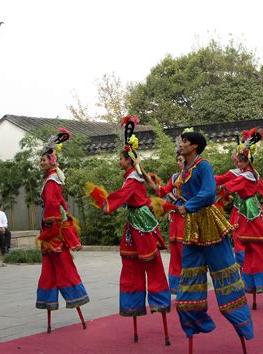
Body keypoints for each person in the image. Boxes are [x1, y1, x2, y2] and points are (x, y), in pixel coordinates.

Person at [89, 116, 171, 345]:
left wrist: (101, 201)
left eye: (120, 158)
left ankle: (159, 304)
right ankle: (138, 305)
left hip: (141, 226)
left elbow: (119, 198)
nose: (118, 161)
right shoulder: (132, 178)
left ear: (128, 160)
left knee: (149, 268)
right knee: (133, 268)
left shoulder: (132, 181)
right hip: (135, 224)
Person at [175, 129, 253, 354]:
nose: (182, 144)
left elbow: (209, 194)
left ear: (195, 147)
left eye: (186, 141)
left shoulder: (203, 166)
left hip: (210, 225)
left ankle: (242, 326)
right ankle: (196, 323)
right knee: (188, 280)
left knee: (226, 276)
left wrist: (187, 206)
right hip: (192, 227)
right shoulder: (186, 169)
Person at [36, 128, 89, 333]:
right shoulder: (52, 179)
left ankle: (71, 298)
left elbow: (52, 204)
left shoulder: (51, 181)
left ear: (52, 161)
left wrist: (50, 229)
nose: (42, 163)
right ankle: (54, 300)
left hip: (53, 229)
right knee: (53, 268)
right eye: (41, 160)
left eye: (44, 160)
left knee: (60, 266)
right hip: (53, 227)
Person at [222, 132, 263, 312]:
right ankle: (252, 283)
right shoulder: (245, 174)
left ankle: (261, 282)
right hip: (243, 212)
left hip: (249, 214)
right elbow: (225, 180)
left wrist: (212, 191)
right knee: (246, 250)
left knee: (254, 249)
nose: (237, 164)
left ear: (247, 161)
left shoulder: (247, 176)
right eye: (236, 161)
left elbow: (229, 186)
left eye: (240, 161)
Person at [149, 154, 186, 295]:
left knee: (185, 252)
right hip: (175, 217)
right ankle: (176, 287)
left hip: (187, 216)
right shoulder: (175, 177)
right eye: (177, 160)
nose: (179, 163)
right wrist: (151, 181)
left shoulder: (193, 175)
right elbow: (163, 190)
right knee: (175, 252)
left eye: (181, 160)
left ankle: (190, 287)